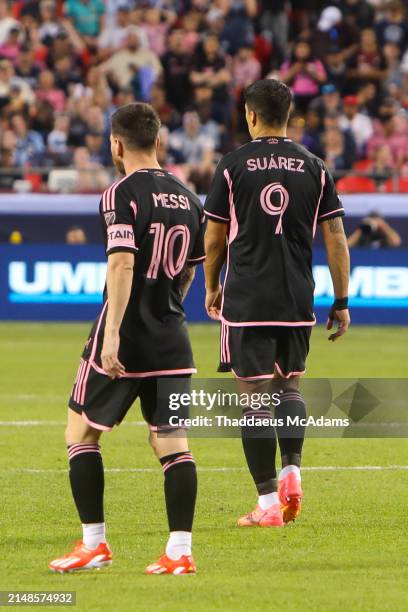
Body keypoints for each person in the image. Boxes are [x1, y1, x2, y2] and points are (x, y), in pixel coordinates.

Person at [48, 103, 205, 575]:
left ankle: (94, 543)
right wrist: (168, 307)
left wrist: (113, 331)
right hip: (173, 338)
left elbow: (121, 262)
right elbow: (189, 273)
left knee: (80, 433)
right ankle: (180, 552)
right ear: (158, 141)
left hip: (126, 337)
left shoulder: (120, 193)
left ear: (116, 145)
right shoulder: (188, 195)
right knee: (172, 443)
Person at [203, 79, 350, 528]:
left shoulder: (232, 166)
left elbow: (212, 237)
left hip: (248, 296)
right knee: (289, 389)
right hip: (295, 297)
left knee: (253, 402)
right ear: (287, 115)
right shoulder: (315, 166)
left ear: (250, 115)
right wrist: (341, 300)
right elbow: (336, 237)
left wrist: (212, 286)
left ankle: (267, 503)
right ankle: (292, 474)